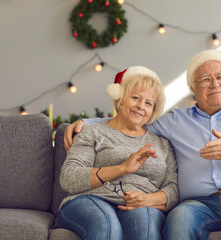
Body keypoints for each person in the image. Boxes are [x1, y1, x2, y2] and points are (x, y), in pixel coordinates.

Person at [64, 50, 221, 240]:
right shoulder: (174, 121)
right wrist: (86, 123)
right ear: (193, 89)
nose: (214, 83)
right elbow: (132, 119)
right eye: (204, 79)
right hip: (197, 203)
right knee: (179, 222)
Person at [57, 66, 178, 240]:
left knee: (146, 226)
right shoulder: (92, 132)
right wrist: (122, 168)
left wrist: (146, 200)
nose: (140, 106)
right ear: (120, 98)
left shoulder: (162, 144)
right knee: (106, 225)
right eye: (135, 97)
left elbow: (172, 188)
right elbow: (69, 177)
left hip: (141, 205)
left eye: (148, 103)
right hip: (90, 199)